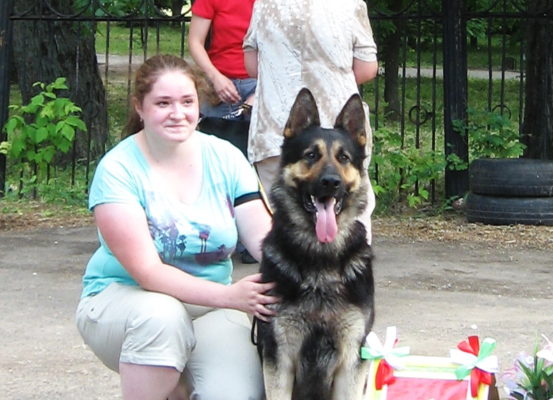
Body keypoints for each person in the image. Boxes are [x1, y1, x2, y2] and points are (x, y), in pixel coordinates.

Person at [75, 54, 276, 400]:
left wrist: (314, 264)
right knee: (162, 317)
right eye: (163, 103)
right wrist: (231, 296)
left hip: (208, 308)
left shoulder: (227, 158)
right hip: (125, 303)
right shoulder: (117, 170)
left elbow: (264, 240)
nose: (178, 113)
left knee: (235, 395)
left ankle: (179, 386)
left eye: (187, 102)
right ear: (139, 107)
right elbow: (148, 273)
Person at [243, 0, 379, 241]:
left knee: (281, 225)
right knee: (351, 222)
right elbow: (367, 69)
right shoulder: (350, 4)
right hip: (342, 134)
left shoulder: (264, 3)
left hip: (275, 127)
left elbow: (252, 66)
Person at [188, 0, 256, 119]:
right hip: (218, 84)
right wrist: (216, 78)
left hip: (259, 84)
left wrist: (262, 91)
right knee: (210, 129)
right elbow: (195, 42)